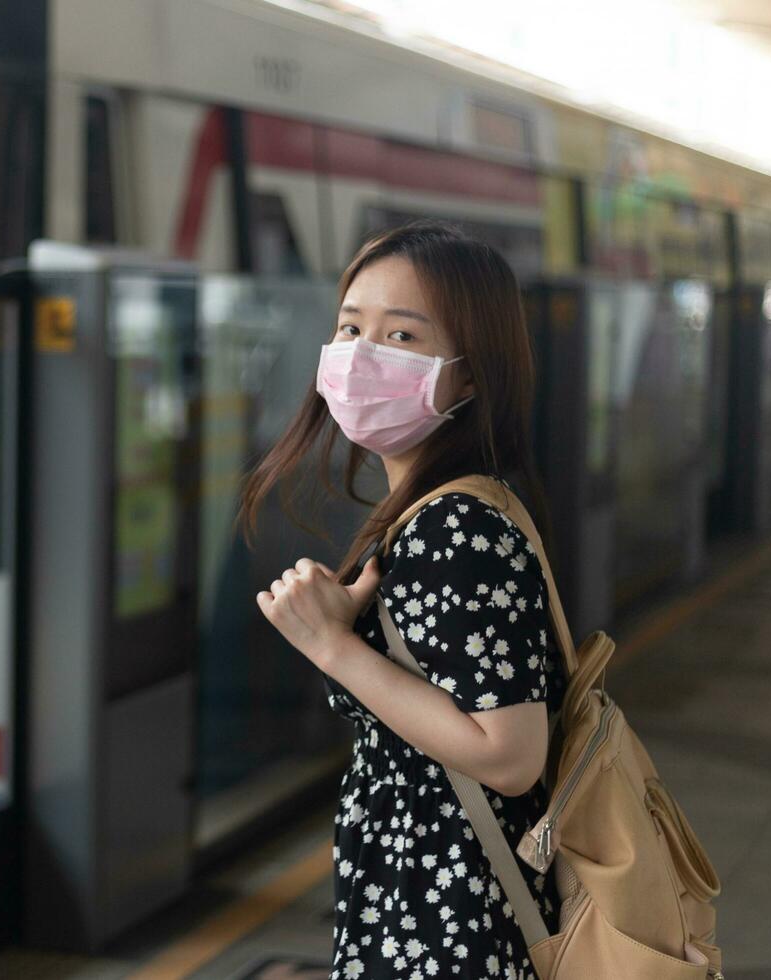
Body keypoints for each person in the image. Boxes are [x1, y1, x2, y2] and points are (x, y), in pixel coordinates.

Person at [238, 220, 563, 980]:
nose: (359, 357)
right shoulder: (439, 510)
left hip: (447, 923)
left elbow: (508, 754)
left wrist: (331, 646)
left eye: (401, 336)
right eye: (350, 327)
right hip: (429, 902)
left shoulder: (459, 525)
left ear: (470, 374)